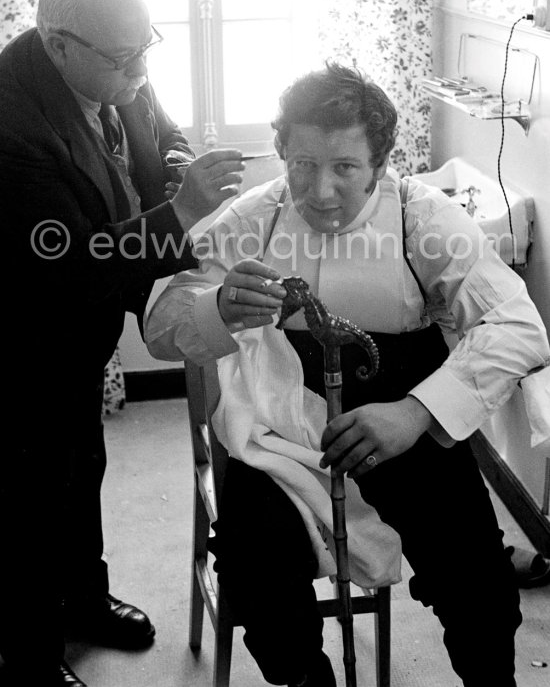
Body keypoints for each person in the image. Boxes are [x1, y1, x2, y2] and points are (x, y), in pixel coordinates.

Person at [145, 63, 550, 687]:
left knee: (478, 583)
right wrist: (218, 306)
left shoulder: (424, 219)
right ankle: (308, 680)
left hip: (405, 427)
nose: (321, 190)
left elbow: (519, 326)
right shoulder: (255, 220)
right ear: (281, 154)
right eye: (302, 164)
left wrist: (415, 412)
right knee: (256, 565)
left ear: (381, 164)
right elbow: (162, 324)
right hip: (280, 439)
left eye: (346, 168)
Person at [0, 0, 244, 687]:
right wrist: (179, 212)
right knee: (30, 496)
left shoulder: (115, 60)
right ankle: (31, 656)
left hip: (80, 332)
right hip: (22, 338)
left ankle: (84, 599)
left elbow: (154, 125)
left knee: (83, 468)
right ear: (58, 43)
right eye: (124, 57)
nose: (141, 67)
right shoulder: (11, 128)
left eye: (147, 48)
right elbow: (69, 261)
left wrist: (172, 160)